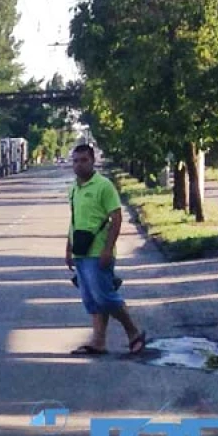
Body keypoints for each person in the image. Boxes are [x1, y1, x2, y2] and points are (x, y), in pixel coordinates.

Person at [65, 143, 146, 356]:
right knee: (91, 300)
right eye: (76, 161)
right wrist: (68, 249)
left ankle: (134, 333)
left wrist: (108, 249)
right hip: (80, 252)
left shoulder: (104, 186)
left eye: (84, 160)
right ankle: (98, 342)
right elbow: (74, 220)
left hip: (99, 252)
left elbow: (116, 218)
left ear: (93, 161)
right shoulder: (74, 188)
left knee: (105, 298)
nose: (79, 165)